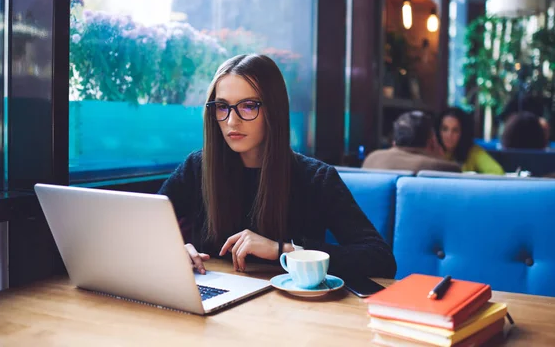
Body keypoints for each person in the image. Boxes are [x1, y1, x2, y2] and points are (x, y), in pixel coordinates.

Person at [159, 54, 396, 279]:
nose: (232, 121)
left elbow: (380, 259)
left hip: (289, 310)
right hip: (214, 301)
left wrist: (282, 250)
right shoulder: (197, 168)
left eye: (248, 106)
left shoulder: (315, 178)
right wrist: (174, 249)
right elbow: (140, 232)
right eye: (222, 107)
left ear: (273, 110)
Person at [362, 110, 461, 173]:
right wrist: (438, 155)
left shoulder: (371, 159)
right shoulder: (445, 169)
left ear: (394, 142)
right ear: (431, 142)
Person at [437, 107, 504, 174]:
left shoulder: (473, 151)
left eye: (455, 130)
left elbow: (498, 172)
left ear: (463, 133)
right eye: (445, 129)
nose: (449, 135)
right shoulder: (431, 150)